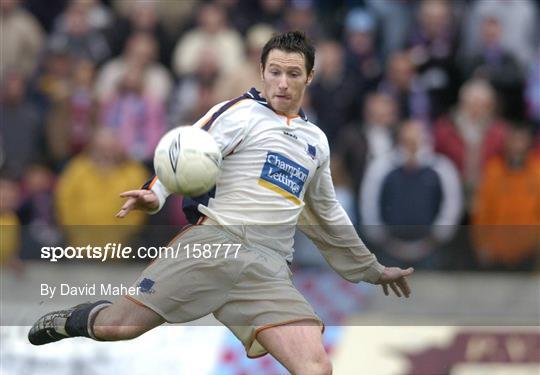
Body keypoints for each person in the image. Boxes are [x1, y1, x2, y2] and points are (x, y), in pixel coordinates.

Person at [28, 31, 413, 375]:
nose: (282, 83)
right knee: (117, 328)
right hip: (212, 245)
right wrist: (155, 192)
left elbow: (327, 213)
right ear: (261, 70)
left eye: (293, 74)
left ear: (309, 77)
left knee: (316, 366)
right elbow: (187, 148)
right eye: (274, 72)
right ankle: (75, 319)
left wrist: (372, 269)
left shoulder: (317, 141)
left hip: (268, 268)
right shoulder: (239, 113)